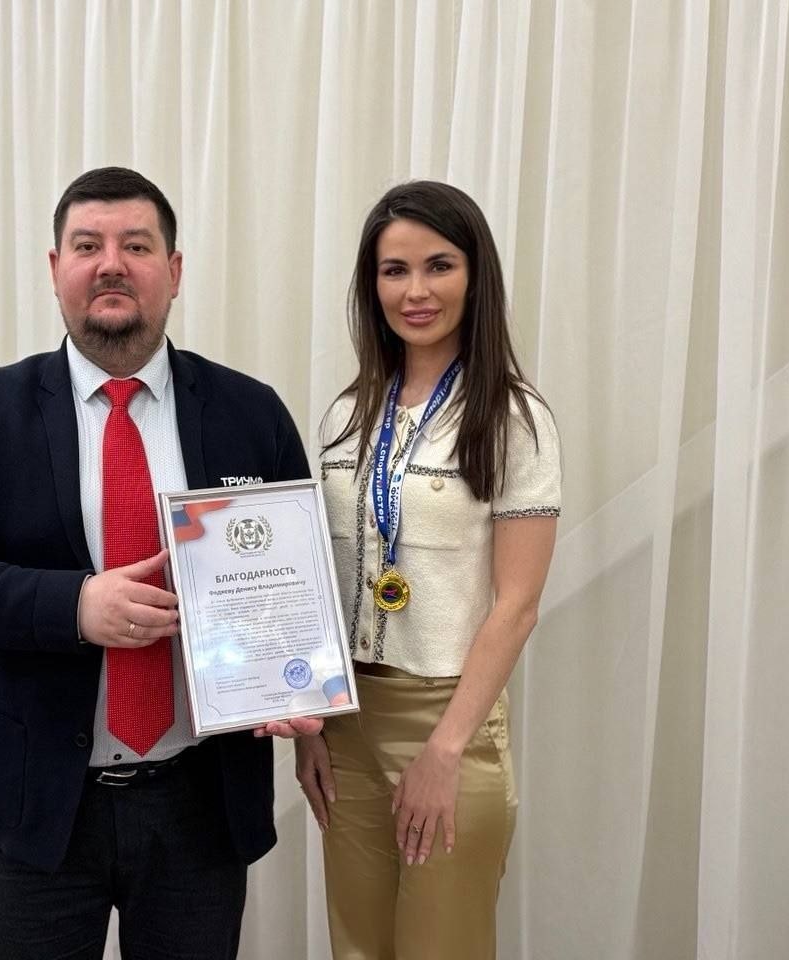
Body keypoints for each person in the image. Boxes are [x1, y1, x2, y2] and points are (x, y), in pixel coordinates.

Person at [0, 166, 317, 960]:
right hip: (37, 807)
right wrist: (74, 606)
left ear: (174, 270)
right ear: (56, 269)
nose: (111, 264)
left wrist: (297, 684)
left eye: (137, 246)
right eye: (87, 246)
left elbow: (295, 584)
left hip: (198, 805)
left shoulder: (250, 412)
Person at [295, 181, 561, 960]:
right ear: (371, 285)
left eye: (439, 266)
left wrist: (445, 751)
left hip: (448, 720)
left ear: (475, 277)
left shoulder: (514, 418)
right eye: (394, 270)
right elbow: (317, 578)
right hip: (344, 718)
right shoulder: (345, 415)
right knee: (358, 947)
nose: (416, 291)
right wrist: (308, 724)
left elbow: (517, 605)